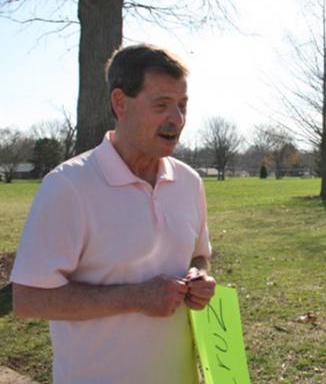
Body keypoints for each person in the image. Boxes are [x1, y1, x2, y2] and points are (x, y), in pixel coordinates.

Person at [10, 44, 216, 383]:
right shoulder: (68, 185)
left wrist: (201, 278)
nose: (177, 120)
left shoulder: (189, 182)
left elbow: (200, 257)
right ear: (120, 103)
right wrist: (136, 297)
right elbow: (28, 299)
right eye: (162, 105)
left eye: (182, 106)